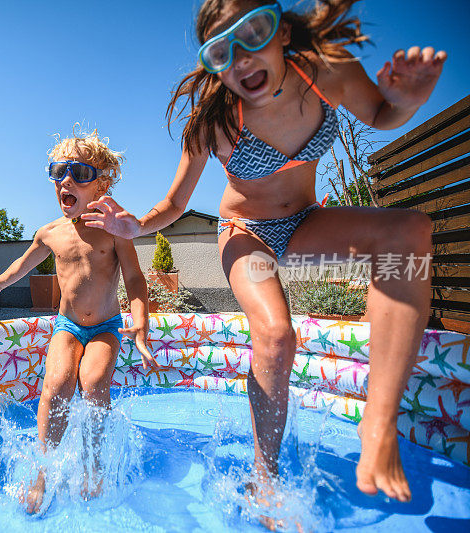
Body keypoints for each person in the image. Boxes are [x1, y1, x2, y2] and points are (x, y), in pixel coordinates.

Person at [82, 0, 446, 504]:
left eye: (253, 32)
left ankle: (378, 426)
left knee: (408, 233)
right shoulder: (213, 121)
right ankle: (265, 480)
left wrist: (407, 99)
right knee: (275, 334)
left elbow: (384, 114)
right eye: (221, 52)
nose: (241, 58)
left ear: (280, 31)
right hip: (245, 232)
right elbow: (174, 204)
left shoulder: (326, 71)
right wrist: (135, 224)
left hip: (304, 224)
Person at [0, 129, 156, 514]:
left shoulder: (115, 229)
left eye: (80, 173)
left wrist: (139, 321)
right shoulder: (51, 233)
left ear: (101, 185)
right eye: (59, 172)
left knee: (92, 382)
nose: (67, 181)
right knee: (56, 384)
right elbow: (24, 263)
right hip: (67, 326)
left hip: (106, 326)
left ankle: (92, 464)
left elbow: (136, 279)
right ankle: (42, 472)